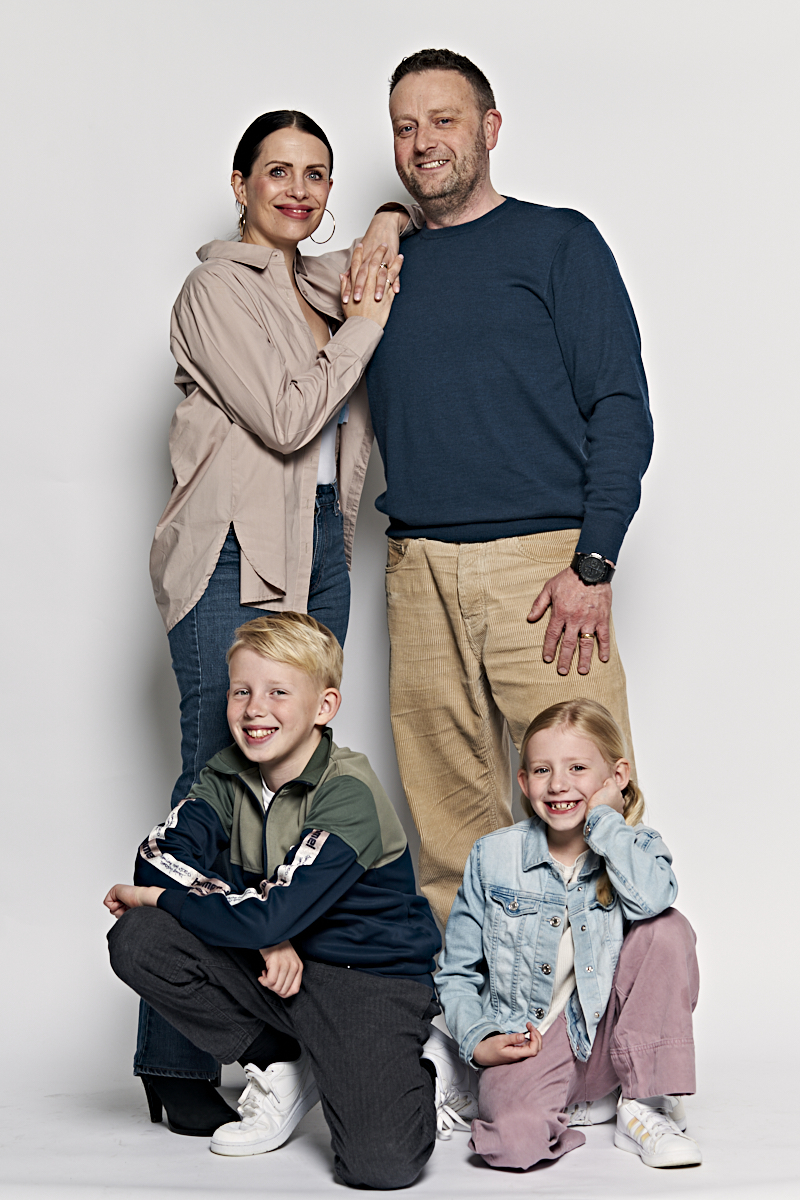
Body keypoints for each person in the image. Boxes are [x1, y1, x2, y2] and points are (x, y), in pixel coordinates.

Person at [139, 109, 405, 1130]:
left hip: (319, 552)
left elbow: (385, 251)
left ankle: (280, 1042)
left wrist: (387, 217)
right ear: (241, 182)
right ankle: (175, 1060)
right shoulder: (215, 291)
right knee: (213, 787)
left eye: (316, 174)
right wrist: (366, 326)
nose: (298, 190)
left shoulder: (320, 285)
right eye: (278, 171)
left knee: (296, 787)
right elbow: (292, 419)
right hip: (230, 558)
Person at [362, 49, 654, 928]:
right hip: (418, 568)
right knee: (450, 829)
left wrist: (594, 561)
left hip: (543, 568)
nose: (423, 142)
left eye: (443, 120)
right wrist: (384, 220)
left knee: (591, 806)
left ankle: (616, 1004)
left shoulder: (559, 241)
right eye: (405, 127)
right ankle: (478, 1007)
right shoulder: (379, 270)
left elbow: (620, 405)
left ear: (490, 129)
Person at [104, 613, 476, 1188]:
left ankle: (429, 1062)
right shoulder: (225, 778)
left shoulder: (348, 793)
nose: (255, 709)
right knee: (139, 938)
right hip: (279, 967)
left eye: (278, 692)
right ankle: (280, 1062)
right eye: (242, 691)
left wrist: (239, 918)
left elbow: (236, 905)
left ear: (324, 707)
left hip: (365, 978)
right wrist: (265, 935)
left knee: (380, 1165)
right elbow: (157, 858)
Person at [435, 698, 702, 1171]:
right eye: (542, 770)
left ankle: (642, 1101)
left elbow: (653, 901)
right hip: (534, 1037)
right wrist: (477, 1039)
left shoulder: (637, 846)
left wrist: (605, 823)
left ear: (616, 776)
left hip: (609, 1035)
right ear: (524, 781)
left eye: (577, 767)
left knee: (668, 928)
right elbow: (457, 971)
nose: (558, 784)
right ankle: (495, 1082)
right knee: (512, 1145)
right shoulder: (494, 857)